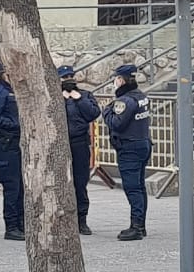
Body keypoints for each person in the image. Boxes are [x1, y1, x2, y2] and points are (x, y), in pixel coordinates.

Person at [103, 64, 151, 241]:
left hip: (129, 148)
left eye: (116, 79)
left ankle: (136, 227)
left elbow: (117, 123)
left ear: (121, 80)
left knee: (132, 188)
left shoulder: (125, 101)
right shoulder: (141, 96)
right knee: (139, 186)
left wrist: (106, 110)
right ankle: (141, 224)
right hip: (142, 143)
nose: (115, 82)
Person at [0, 60, 24, 241]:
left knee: (22, 188)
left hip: (16, 144)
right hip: (5, 145)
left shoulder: (15, 91)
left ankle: (22, 223)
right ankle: (12, 226)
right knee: (12, 188)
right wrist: (14, 125)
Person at [60, 66, 101, 235]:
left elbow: (93, 113)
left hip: (79, 144)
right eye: (64, 77)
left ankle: (81, 220)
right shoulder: (53, 96)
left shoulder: (84, 95)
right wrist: (61, 100)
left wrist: (78, 99)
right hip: (60, 145)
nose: (68, 79)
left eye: (71, 76)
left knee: (80, 183)